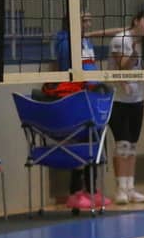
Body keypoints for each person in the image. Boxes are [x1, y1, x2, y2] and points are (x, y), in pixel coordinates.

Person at [50, 11, 119, 210]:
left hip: (92, 97)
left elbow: (89, 68)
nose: (89, 23)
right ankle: (75, 192)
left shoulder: (85, 41)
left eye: (90, 19)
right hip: (77, 97)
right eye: (84, 20)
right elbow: (70, 70)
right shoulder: (66, 42)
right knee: (79, 144)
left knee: (95, 143)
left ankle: (91, 190)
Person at [108, 11, 144, 205]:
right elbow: (123, 66)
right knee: (122, 145)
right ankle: (120, 189)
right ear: (136, 21)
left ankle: (130, 189)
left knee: (132, 146)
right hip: (117, 99)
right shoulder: (120, 40)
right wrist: (135, 52)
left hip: (137, 98)